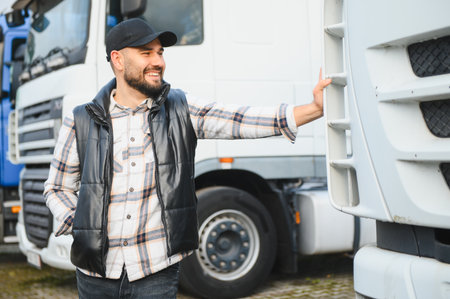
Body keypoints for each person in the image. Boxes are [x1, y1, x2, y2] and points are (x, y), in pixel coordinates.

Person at [44, 18, 332, 299]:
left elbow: (240, 119)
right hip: (95, 275)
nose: (158, 62)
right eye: (146, 53)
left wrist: (313, 109)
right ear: (118, 60)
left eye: (160, 53)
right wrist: (81, 224)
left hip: (155, 272)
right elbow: (57, 188)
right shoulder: (81, 120)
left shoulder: (181, 110)